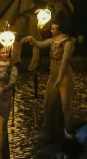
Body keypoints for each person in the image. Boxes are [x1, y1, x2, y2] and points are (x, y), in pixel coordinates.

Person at [21, 11, 75, 143]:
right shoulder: (52, 41)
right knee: (47, 103)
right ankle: (47, 131)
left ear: (60, 29)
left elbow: (64, 62)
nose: (51, 30)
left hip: (65, 76)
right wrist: (32, 40)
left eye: (53, 28)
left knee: (66, 105)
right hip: (53, 75)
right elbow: (40, 44)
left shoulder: (67, 43)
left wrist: (60, 78)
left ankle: (69, 131)